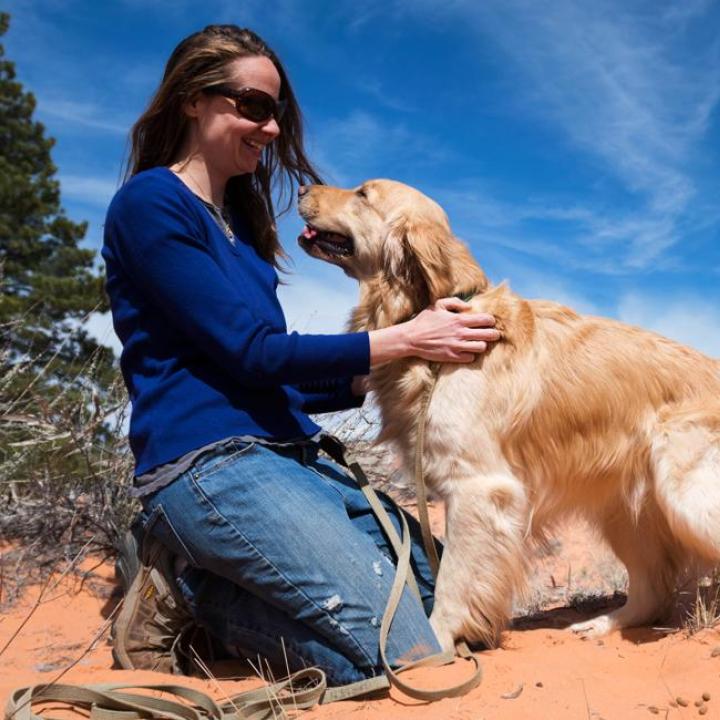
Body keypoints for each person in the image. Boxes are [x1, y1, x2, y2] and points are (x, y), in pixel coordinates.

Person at [103, 24, 499, 687]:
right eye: (252, 106)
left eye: (276, 111)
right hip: (209, 467)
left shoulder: (243, 229)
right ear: (192, 100)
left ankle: (227, 580)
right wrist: (406, 339)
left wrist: (390, 372)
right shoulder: (151, 205)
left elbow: (263, 380)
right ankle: (194, 592)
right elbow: (255, 354)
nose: (271, 127)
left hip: (296, 458)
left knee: (451, 605)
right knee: (406, 654)